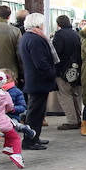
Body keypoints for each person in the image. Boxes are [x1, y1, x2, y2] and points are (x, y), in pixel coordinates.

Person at [17, 12, 56, 150]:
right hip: (38, 81)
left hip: (35, 80)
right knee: (35, 112)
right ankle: (30, 140)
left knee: (37, 111)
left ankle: (34, 137)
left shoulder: (27, 37)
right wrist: (52, 73)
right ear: (38, 24)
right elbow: (40, 62)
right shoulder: (35, 39)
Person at [52, 14, 82, 129]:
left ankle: (71, 121)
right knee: (76, 95)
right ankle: (78, 118)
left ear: (58, 24)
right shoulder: (76, 34)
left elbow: (56, 53)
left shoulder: (59, 35)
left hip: (63, 70)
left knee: (65, 95)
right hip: (76, 70)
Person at [0, 71, 23, 168]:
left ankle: (8, 147)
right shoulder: (5, 94)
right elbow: (10, 107)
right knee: (15, 137)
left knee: (7, 136)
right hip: (3, 122)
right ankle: (17, 155)